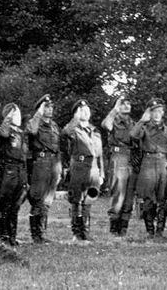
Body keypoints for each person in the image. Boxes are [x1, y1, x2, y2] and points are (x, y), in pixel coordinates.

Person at [130, 97, 167, 238]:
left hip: (163, 163)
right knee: (148, 198)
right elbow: (133, 135)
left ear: (163, 113)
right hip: (148, 162)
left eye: (159, 111)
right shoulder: (144, 128)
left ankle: (160, 230)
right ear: (149, 113)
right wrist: (142, 120)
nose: (156, 114)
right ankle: (150, 231)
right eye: (153, 111)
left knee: (162, 198)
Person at [62, 99, 104, 241]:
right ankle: (76, 232)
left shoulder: (95, 131)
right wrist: (76, 118)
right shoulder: (74, 130)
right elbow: (66, 132)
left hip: (93, 169)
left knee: (89, 200)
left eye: (86, 110)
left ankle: (85, 232)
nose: (85, 112)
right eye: (81, 110)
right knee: (76, 201)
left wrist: (101, 173)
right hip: (79, 167)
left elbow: (100, 155)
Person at [0, 103, 29, 246]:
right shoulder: (1, 131)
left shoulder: (20, 133)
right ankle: (3, 235)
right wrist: (7, 119)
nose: (18, 116)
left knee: (15, 205)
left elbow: (24, 154)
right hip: (6, 170)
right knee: (3, 204)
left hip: (19, 170)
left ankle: (12, 235)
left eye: (18, 113)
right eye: (15, 113)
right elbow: (4, 134)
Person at [25, 94, 61, 243]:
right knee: (38, 198)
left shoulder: (54, 126)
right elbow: (32, 131)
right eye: (46, 107)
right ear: (40, 108)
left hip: (53, 162)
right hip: (40, 162)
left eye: (51, 107)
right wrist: (38, 114)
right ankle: (36, 234)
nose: (50, 109)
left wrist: (59, 165)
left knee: (48, 199)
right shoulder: (34, 123)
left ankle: (42, 233)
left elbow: (57, 147)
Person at [101, 94, 136, 236]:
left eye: (128, 103)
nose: (126, 106)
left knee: (129, 195)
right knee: (118, 192)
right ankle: (114, 226)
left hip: (132, 158)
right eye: (123, 103)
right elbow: (106, 125)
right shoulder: (114, 120)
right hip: (119, 156)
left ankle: (124, 228)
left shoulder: (133, 123)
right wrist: (114, 109)